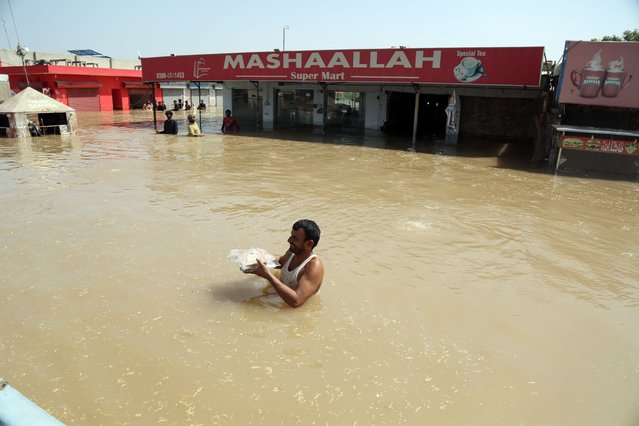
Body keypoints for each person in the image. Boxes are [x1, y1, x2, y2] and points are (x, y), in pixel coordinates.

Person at [243, 219, 324, 308]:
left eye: (295, 238)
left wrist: (268, 275)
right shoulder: (292, 253)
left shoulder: (314, 267)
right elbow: (281, 261)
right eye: (291, 235)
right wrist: (261, 261)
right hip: (280, 295)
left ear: (309, 244)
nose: (289, 240)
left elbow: (296, 301)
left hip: (292, 309)